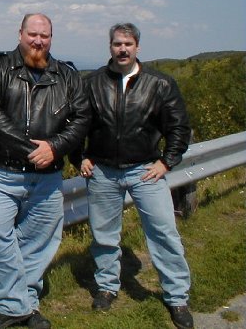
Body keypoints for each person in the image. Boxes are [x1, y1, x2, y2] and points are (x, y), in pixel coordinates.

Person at [0, 13, 91, 329]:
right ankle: (20, 306)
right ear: (20, 33)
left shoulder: (67, 75)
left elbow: (82, 119)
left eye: (45, 35)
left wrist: (55, 147)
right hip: (0, 173)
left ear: (51, 38)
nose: (38, 41)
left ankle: (19, 306)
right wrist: (34, 150)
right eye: (33, 34)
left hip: (48, 177)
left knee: (38, 243)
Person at [80, 23, 193, 329]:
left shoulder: (160, 84)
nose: (123, 49)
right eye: (117, 44)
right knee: (104, 236)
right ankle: (106, 287)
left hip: (146, 170)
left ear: (137, 47)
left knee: (163, 233)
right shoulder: (92, 83)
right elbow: (78, 125)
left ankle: (177, 297)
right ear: (110, 47)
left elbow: (179, 128)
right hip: (102, 171)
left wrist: (166, 163)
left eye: (128, 44)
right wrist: (80, 156)